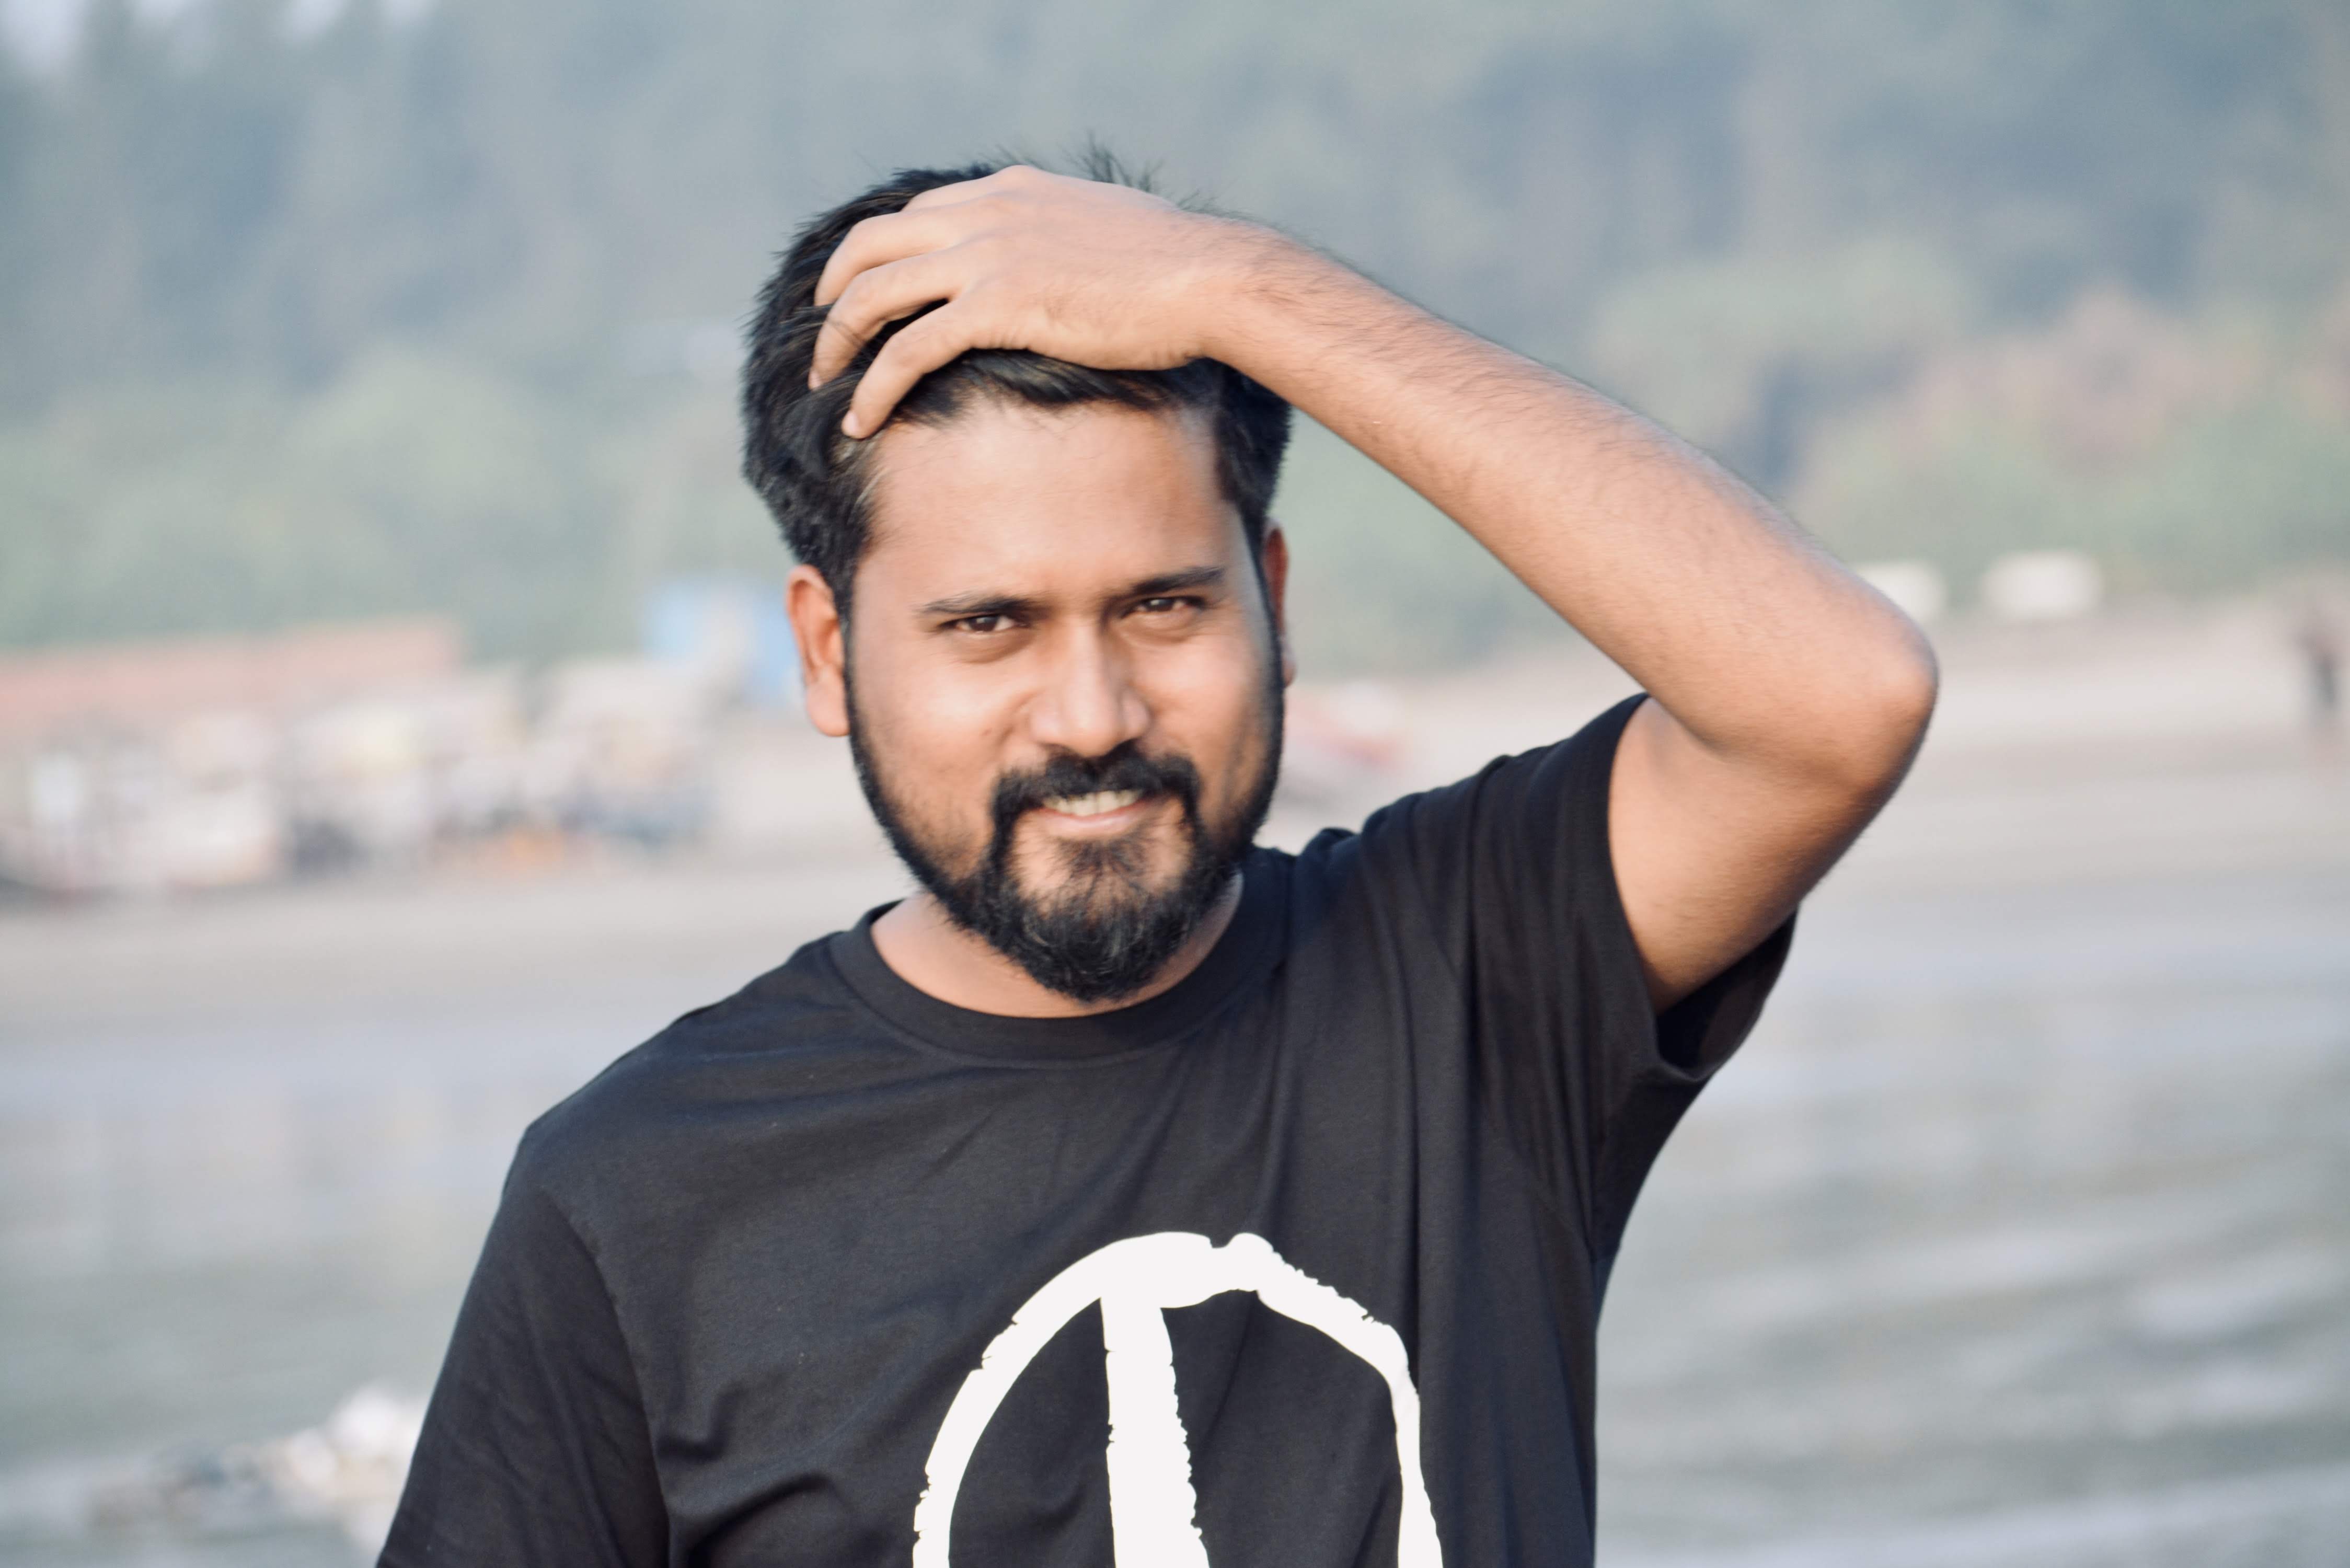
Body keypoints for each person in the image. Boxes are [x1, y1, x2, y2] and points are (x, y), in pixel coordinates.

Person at [382, 157, 1937, 1567]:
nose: (1093, 715)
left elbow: (1836, 699)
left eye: (1164, 607)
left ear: (1274, 601)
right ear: (827, 651)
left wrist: (1236, 287)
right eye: (989, 625)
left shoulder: (1474, 980)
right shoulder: (639, 1195)